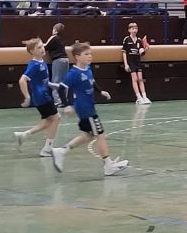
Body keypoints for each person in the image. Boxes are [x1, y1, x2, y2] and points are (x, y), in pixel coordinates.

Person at [51, 42, 129, 176]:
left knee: (89, 135)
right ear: (77, 57)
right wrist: (66, 105)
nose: (89, 56)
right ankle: (108, 165)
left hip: (89, 107)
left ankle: (62, 151)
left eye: (90, 54)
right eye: (86, 54)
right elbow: (61, 88)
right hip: (85, 109)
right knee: (101, 134)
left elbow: (92, 82)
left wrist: (101, 91)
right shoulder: (73, 73)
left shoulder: (87, 68)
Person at [14, 38, 60, 157]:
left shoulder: (42, 62)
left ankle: (24, 135)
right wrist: (27, 97)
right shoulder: (34, 65)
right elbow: (22, 80)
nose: (42, 49)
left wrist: (54, 85)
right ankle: (47, 149)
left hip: (44, 95)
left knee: (49, 121)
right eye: (38, 47)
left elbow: (43, 82)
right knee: (56, 118)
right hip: (41, 97)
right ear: (32, 51)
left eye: (42, 46)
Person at [122, 22, 151, 105]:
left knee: (140, 79)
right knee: (134, 79)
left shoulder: (139, 40)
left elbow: (141, 52)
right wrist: (126, 64)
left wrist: (145, 49)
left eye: (136, 28)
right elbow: (124, 52)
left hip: (137, 61)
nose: (135, 30)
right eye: (133, 28)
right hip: (131, 62)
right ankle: (138, 97)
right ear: (129, 30)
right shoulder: (126, 39)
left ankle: (144, 96)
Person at [45, 22, 70, 105]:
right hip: (66, 59)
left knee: (56, 80)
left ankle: (58, 101)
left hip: (58, 60)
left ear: (55, 30)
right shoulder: (62, 38)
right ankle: (64, 100)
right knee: (64, 81)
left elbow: (45, 47)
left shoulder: (54, 37)